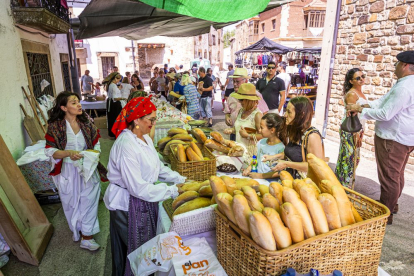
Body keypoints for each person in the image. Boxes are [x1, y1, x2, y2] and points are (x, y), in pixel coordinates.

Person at [104, 97, 185, 276]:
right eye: (151, 119)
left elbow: (157, 167)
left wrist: (179, 178)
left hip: (141, 199)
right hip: (126, 204)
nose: (154, 123)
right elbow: (137, 188)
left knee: (141, 250)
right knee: (136, 252)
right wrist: (171, 190)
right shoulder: (127, 145)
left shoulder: (145, 139)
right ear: (136, 120)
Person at [346, 51, 414, 225]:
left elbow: (385, 113)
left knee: (389, 176)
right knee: (397, 174)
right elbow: (383, 101)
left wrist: (361, 110)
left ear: (405, 66)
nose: (395, 66)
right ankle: (392, 205)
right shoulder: (405, 84)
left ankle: (385, 213)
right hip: (404, 138)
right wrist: (362, 104)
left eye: (397, 63)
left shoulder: (405, 87)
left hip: (393, 139)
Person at [45, 92, 107, 251]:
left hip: (87, 168)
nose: (79, 104)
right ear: (64, 107)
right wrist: (68, 153)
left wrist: (89, 156)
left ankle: (87, 236)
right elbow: (50, 151)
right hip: (68, 171)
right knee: (72, 203)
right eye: (74, 102)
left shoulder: (87, 124)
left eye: (78, 101)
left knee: (89, 201)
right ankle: (78, 229)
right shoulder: (55, 127)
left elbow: (96, 146)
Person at [265, 96, 325, 179]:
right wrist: (273, 157)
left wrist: (286, 164)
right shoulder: (296, 130)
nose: (285, 115)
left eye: (289, 112)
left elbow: (316, 167)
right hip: (289, 180)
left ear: (301, 115)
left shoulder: (312, 136)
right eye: (286, 111)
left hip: (304, 186)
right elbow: (293, 154)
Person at [334, 68, 368, 189]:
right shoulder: (352, 94)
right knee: (349, 159)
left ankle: (342, 183)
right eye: (358, 78)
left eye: (363, 76)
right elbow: (351, 115)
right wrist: (356, 134)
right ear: (351, 81)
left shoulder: (360, 93)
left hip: (357, 129)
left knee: (353, 158)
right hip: (351, 130)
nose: (362, 79)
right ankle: (344, 185)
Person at [224, 67, 269, 141]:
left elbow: (263, 133)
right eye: (233, 81)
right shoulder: (232, 96)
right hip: (236, 134)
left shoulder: (255, 95)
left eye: (237, 82)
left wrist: (248, 135)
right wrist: (230, 124)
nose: (235, 84)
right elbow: (227, 112)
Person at [242, 113, 285, 180]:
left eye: (261, 128)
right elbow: (255, 159)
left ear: (272, 130)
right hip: (257, 179)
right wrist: (248, 168)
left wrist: (261, 176)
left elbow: (279, 172)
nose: (259, 130)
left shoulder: (281, 148)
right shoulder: (261, 142)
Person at [104, 72, 127, 137]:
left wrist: (118, 89)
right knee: (116, 118)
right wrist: (123, 98)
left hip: (111, 103)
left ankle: (113, 133)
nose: (119, 81)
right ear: (115, 78)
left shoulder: (111, 85)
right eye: (119, 80)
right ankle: (116, 133)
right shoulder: (113, 86)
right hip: (115, 104)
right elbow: (115, 98)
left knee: (112, 118)